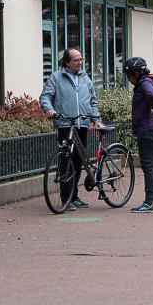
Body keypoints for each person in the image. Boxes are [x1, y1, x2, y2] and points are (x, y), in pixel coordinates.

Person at [39, 48, 104, 211]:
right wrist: (49, 109)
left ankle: (74, 197)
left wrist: (96, 120)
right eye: (76, 60)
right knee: (65, 161)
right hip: (65, 124)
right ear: (67, 62)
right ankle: (66, 199)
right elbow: (45, 96)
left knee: (78, 161)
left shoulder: (86, 78)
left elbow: (92, 101)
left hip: (82, 124)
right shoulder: (56, 77)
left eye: (81, 59)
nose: (80, 62)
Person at [123, 57, 153, 214]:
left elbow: (151, 96)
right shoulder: (150, 81)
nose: (129, 80)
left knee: (149, 167)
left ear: (137, 73)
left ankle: (149, 202)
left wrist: (147, 110)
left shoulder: (145, 84)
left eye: (129, 77)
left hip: (148, 129)